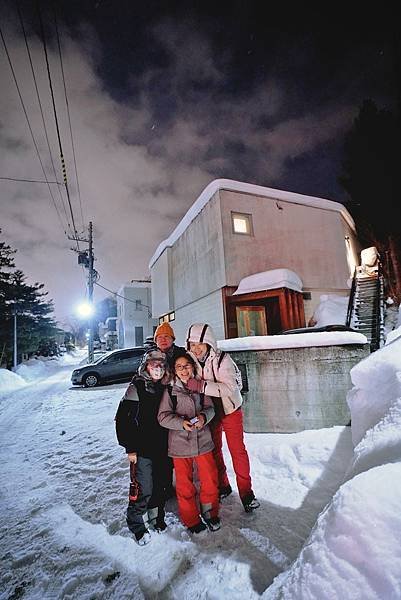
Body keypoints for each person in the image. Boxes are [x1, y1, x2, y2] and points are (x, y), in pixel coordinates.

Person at [185, 323, 260, 513]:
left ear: (208, 342)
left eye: (199, 343)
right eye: (192, 344)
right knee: (214, 450)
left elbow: (230, 388)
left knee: (237, 451)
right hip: (210, 412)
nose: (196, 348)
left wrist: (201, 386)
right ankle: (223, 485)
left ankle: (246, 494)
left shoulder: (223, 360)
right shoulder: (191, 361)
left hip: (230, 410)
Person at [158, 352, 221, 534]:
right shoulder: (170, 391)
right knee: (184, 484)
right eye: (179, 367)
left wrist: (203, 417)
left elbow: (211, 409)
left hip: (203, 441)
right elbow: (162, 417)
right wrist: (180, 423)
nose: (184, 370)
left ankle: (210, 512)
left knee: (209, 479)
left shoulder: (200, 387)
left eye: (187, 365)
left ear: (193, 367)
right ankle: (191, 519)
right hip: (179, 445)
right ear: (174, 371)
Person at [115, 350, 171, 546]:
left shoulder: (166, 387)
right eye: (153, 364)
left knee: (160, 484)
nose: (157, 368)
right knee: (143, 486)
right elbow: (123, 420)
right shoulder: (136, 387)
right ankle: (136, 523)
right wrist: (130, 447)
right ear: (146, 366)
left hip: (163, 447)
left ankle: (156, 517)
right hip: (142, 449)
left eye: (161, 365)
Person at [143, 322, 186, 496]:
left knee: (181, 447)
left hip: (180, 405)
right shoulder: (150, 356)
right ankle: (165, 486)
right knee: (161, 450)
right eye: (159, 337)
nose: (163, 340)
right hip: (157, 406)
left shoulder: (182, 354)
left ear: (172, 339)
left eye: (166, 336)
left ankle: (186, 486)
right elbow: (142, 376)